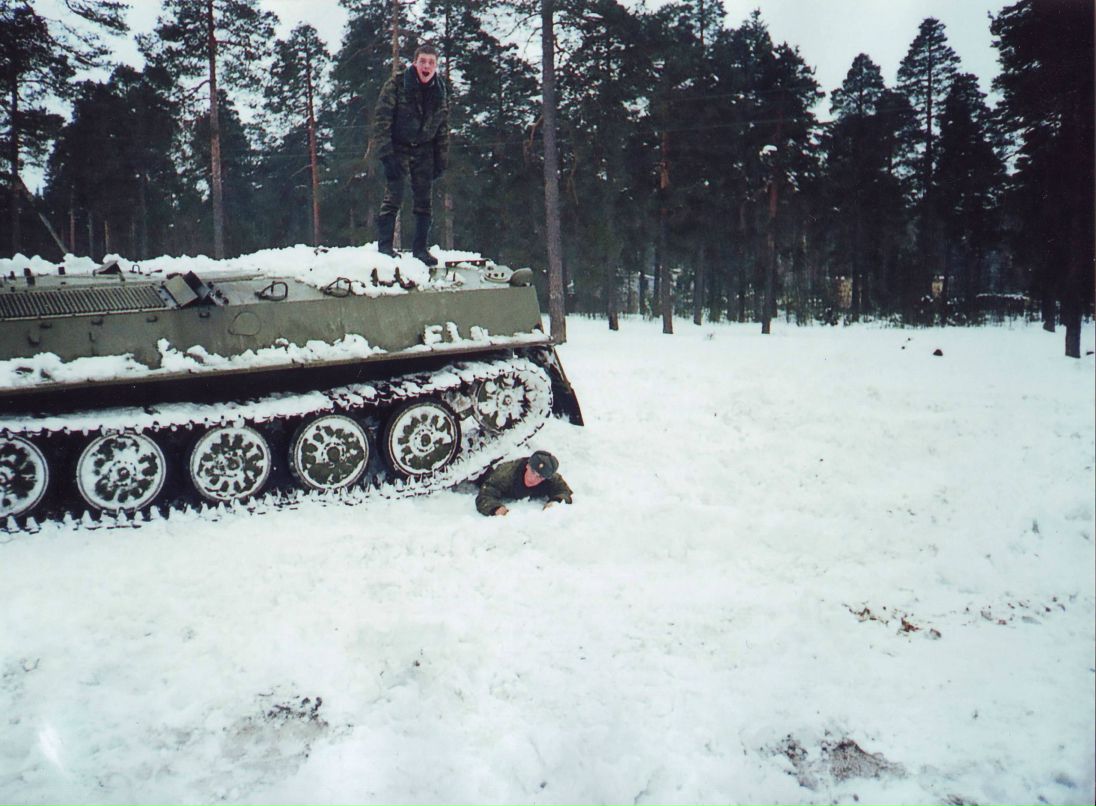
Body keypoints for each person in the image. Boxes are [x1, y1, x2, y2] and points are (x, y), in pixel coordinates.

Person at [371, 44, 449, 266]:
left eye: (431, 62)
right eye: (423, 61)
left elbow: (443, 127)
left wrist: (441, 159)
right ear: (415, 63)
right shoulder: (396, 85)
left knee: (424, 199)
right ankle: (385, 246)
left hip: (425, 148)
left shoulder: (440, 91)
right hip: (398, 146)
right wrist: (386, 154)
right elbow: (382, 119)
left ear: (436, 66)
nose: (426, 66)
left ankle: (420, 249)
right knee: (393, 195)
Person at [476, 450, 573, 516]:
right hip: (482, 472)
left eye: (540, 477)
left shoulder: (549, 477)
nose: (533, 479)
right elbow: (485, 493)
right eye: (533, 472)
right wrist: (496, 509)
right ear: (527, 466)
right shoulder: (507, 474)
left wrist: (556, 501)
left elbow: (563, 490)